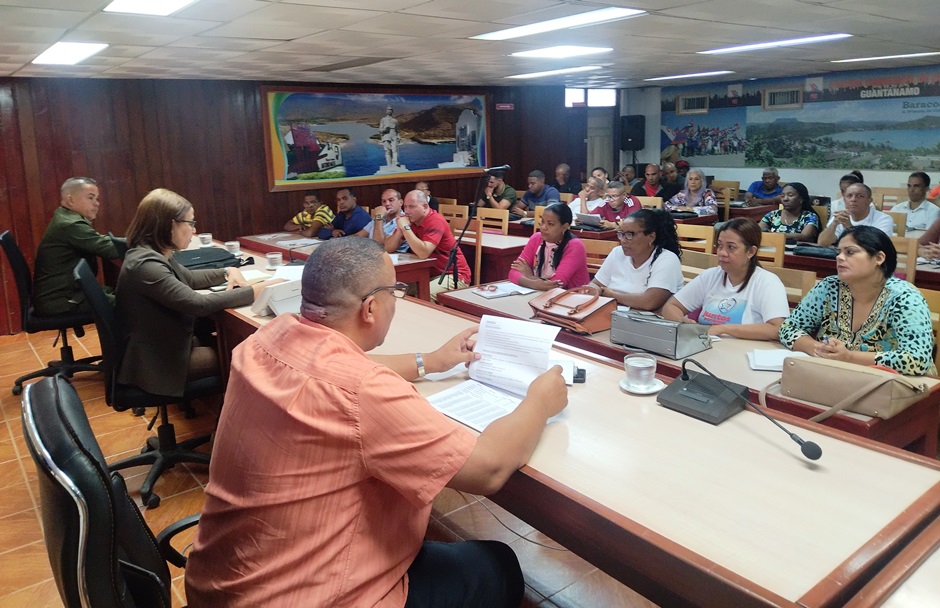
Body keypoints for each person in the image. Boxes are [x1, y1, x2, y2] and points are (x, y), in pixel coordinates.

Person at [185, 237, 568, 607]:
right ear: (370, 308)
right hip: (309, 596)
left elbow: (343, 368)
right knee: (498, 566)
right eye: (394, 292)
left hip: (220, 583)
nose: (395, 302)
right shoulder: (363, 392)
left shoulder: (266, 338)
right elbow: (489, 469)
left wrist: (431, 361)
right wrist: (540, 400)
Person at [116, 188, 282, 398]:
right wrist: (255, 291)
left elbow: (191, 278)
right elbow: (198, 304)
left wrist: (227, 271)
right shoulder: (146, 265)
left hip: (167, 343)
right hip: (156, 362)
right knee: (247, 357)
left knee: (238, 346)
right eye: (190, 223)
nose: (194, 230)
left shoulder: (155, 253)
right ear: (171, 225)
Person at [779, 226, 934, 375]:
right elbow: (788, 327)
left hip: (893, 383)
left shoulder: (905, 297)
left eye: (850, 252)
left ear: (879, 258)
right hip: (835, 376)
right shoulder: (829, 287)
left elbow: (917, 360)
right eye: (838, 252)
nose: (839, 257)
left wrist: (849, 357)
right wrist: (817, 348)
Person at [661, 218, 789, 340]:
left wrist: (723, 329)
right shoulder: (710, 276)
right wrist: (683, 324)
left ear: (751, 252)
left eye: (731, 247)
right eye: (720, 246)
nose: (722, 252)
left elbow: (777, 329)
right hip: (706, 347)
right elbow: (671, 306)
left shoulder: (767, 282)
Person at [33, 177, 123, 316]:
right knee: (132, 303)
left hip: (63, 295)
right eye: (90, 198)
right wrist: (147, 240)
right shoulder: (70, 224)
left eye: (97, 198)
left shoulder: (66, 217)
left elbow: (101, 241)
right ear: (70, 200)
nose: (97, 203)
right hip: (61, 301)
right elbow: (109, 249)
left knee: (126, 294)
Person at [588, 209, 684, 311]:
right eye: (621, 234)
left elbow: (649, 302)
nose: (623, 240)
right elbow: (596, 284)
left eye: (629, 235)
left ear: (651, 237)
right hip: (614, 313)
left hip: (649, 318)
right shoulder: (617, 252)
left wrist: (612, 295)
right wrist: (593, 290)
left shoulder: (667, 260)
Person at [387, 190, 471, 301]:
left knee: (424, 295)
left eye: (412, 207)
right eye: (405, 207)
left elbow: (423, 253)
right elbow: (388, 248)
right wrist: (399, 230)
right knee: (394, 290)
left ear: (425, 207)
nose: (406, 211)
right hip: (427, 274)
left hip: (453, 275)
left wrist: (406, 228)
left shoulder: (435, 220)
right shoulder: (410, 221)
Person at [508, 203, 589, 290]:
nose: (543, 227)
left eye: (550, 224)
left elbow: (557, 284)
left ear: (564, 227)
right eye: (542, 221)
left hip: (572, 296)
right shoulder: (536, 238)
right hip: (540, 294)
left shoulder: (574, 246)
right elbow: (513, 273)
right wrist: (535, 283)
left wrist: (530, 277)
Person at [818, 183, 893, 246]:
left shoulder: (883, 219)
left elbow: (875, 246)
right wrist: (834, 224)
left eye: (859, 196)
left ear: (869, 201)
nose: (853, 199)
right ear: (844, 200)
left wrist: (849, 228)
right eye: (849, 196)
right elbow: (822, 243)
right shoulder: (841, 216)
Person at [372, 188, 409, 253]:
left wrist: (378, 218)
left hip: (394, 256)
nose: (387, 204)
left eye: (391, 200)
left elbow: (379, 247)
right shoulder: (380, 216)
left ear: (400, 202)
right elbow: (361, 235)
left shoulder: (403, 220)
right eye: (384, 201)